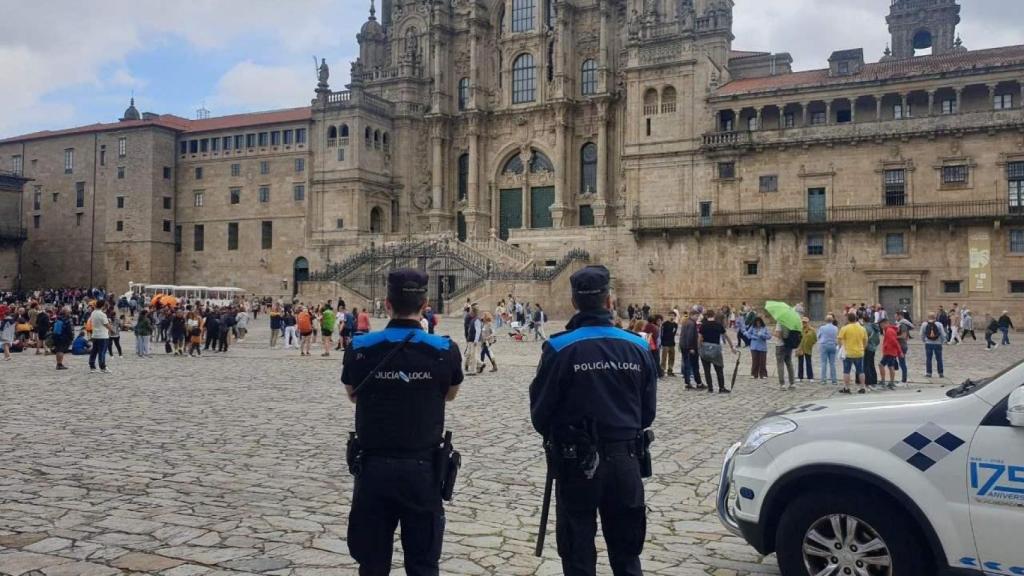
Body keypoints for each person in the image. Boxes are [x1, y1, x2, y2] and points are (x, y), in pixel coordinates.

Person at [529, 265, 657, 576]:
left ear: (574, 301)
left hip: (576, 464)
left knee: (577, 558)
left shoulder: (559, 348)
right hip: (626, 461)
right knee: (627, 559)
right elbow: (647, 412)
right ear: (609, 300)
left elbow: (541, 413)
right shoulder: (638, 346)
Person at [341, 269, 463, 576]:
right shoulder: (444, 350)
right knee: (423, 564)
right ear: (424, 305)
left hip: (373, 469)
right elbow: (450, 394)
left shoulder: (360, 348)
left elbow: (353, 394)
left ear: (387, 304)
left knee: (371, 564)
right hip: (422, 471)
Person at [699, 309, 735, 394]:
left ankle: (710, 388)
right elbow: (726, 336)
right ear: (714, 316)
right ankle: (721, 388)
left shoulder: (703, 325)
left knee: (707, 370)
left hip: (705, 348)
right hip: (716, 349)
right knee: (719, 369)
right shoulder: (718, 325)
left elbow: (699, 338)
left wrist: (699, 348)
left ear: (706, 316)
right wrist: (732, 347)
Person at [837, 313, 867, 394]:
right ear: (856, 319)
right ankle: (862, 387)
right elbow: (865, 340)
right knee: (861, 371)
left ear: (848, 319)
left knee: (846, 371)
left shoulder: (845, 328)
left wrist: (841, 347)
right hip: (859, 352)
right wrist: (863, 348)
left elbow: (839, 339)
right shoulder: (862, 328)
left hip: (848, 353)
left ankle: (847, 388)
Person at [678, 309, 704, 390]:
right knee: (694, 365)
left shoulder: (685, 322)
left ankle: (687, 382)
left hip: (684, 346)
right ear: (692, 315)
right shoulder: (692, 323)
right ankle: (698, 383)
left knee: (687, 365)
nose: (697, 318)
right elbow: (690, 336)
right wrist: (691, 347)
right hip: (690, 347)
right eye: (696, 316)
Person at [87, 301, 112, 373]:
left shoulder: (93, 313)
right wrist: (111, 329)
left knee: (94, 351)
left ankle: (92, 366)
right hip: (103, 335)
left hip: (95, 335)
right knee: (102, 352)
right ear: (103, 306)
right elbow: (106, 324)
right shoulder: (102, 314)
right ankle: (102, 367)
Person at [920, 313, 947, 379]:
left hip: (928, 343)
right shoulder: (939, 324)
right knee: (939, 359)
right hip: (938, 343)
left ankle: (929, 373)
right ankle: (940, 373)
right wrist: (942, 341)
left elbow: (921, 334)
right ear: (935, 317)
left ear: (928, 317)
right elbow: (943, 334)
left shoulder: (924, 324)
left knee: (928, 359)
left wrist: (924, 340)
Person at [773, 322, 797, 391]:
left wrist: (774, 333)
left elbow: (778, 334)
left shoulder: (780, 322)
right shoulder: (791, 322)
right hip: (788, 345)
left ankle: (782, 384)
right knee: (789, 363)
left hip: (780, 345)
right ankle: (792, 383)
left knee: (780, 364)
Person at [879, 318, 901, 390]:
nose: (881, 327)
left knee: (890, 367)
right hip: (888, 351)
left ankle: (891, 382)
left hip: (890, 352)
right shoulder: (888, 330)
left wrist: (899, 352)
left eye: (881, 325)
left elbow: (895, 342)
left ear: (885, 323)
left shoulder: (889, 331)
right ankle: (885, 381)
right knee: (882, 365)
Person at [795, 317, 816, 382]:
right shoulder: (799, 329)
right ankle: (800, 377)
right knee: (800, 363)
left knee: (808, 362)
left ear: (808, 322)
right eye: (803, 322)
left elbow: (815, 339)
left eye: (805, 322)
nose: (804, 323)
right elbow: (796, 338)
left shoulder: (812, 330)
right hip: (800, 348)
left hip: (808, 348)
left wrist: (810, 344)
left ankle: (810, 377)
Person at [863, 315, 880, 388]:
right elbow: (878, 339)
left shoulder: (865, 328)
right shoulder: (874, 326)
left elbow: (864, 339)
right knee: (872, 364)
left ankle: (868, 381)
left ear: (863, 320)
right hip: (873, 347)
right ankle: (874, 380)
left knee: (866, 365)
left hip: (867, 348)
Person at [464, 304, 480, 375]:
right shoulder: (473, 319)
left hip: (473, 340)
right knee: (470, 354)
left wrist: (476, 340)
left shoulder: (477, 320)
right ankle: (474, 368)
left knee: (473, 355)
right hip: (470, 339)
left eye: (471, 312)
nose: (470, 313)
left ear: (473, 312)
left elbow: (478, 331)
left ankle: (473, 370)